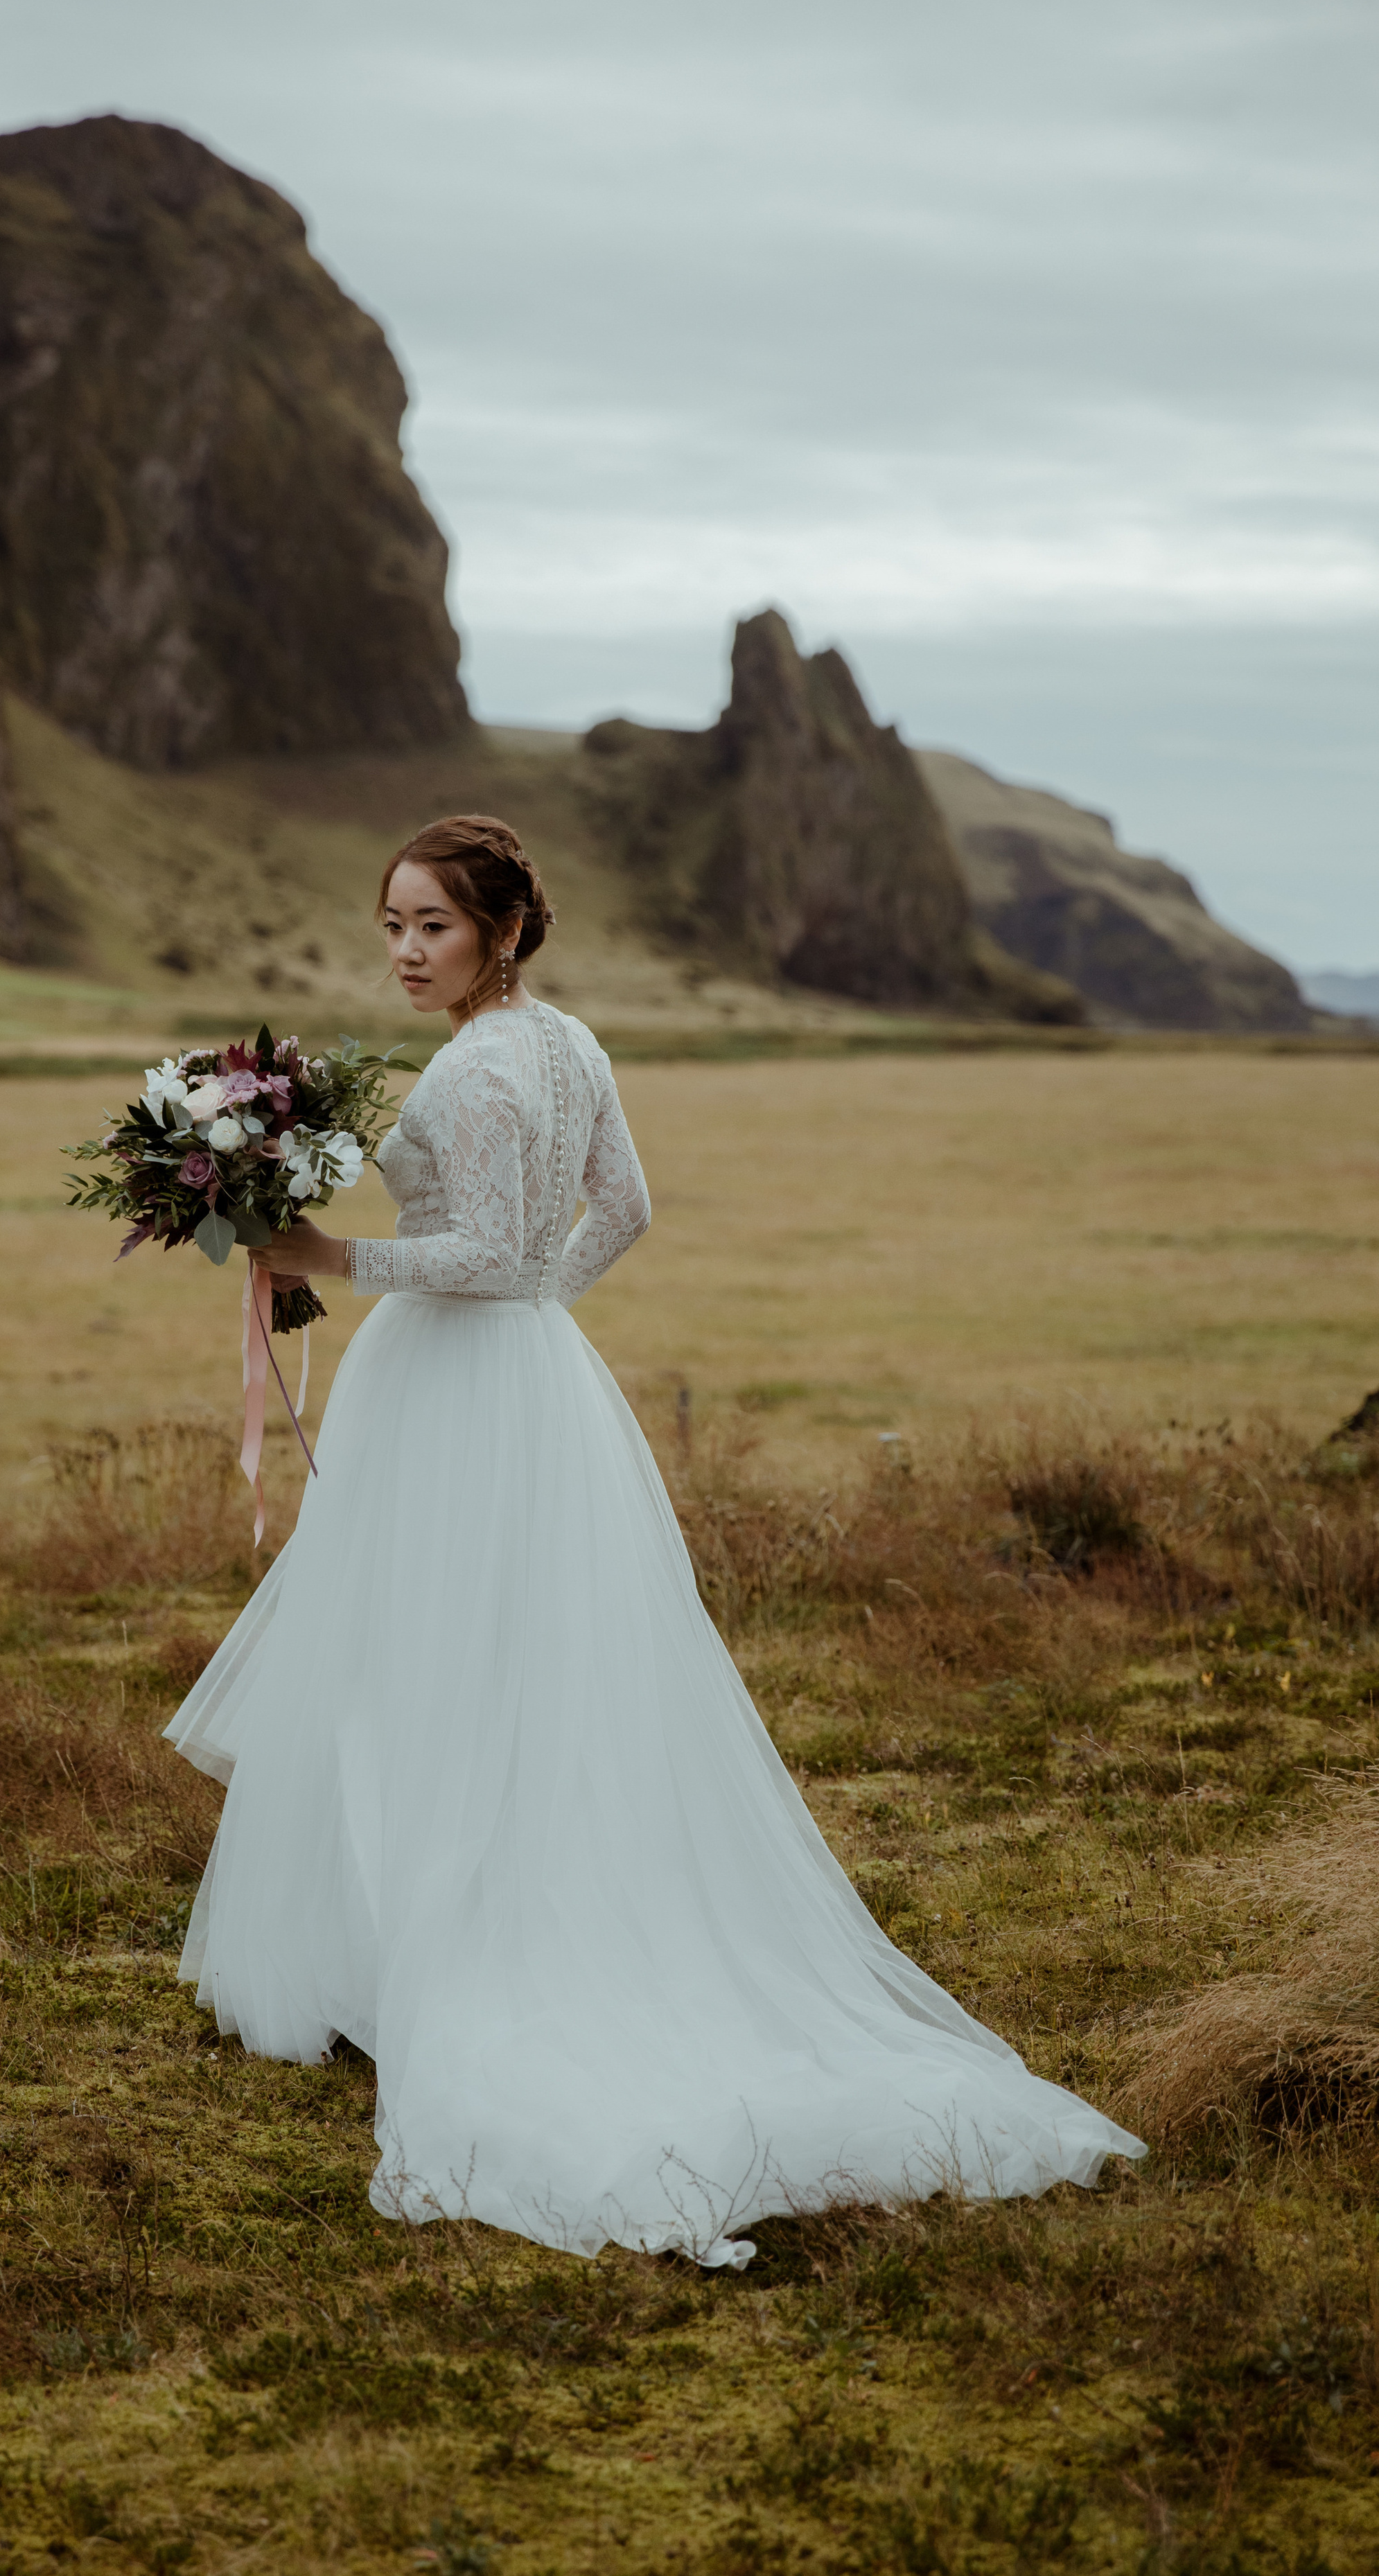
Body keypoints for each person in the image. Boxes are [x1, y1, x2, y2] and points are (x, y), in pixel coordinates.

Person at [164, 815, 1143, 2266]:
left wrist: (332, 1259)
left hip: (455, 1382)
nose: (403, 951)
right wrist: (540, 1323)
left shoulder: (485, 1062)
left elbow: (485, 1255)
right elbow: (620, 1210)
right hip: (530, 1386)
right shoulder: (570, 1046)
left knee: (428, 1656)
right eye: (389, 926)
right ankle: (422, 1923)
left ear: (499, 931)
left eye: (431, 925)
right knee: (508, 1657)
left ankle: (447, 1950)